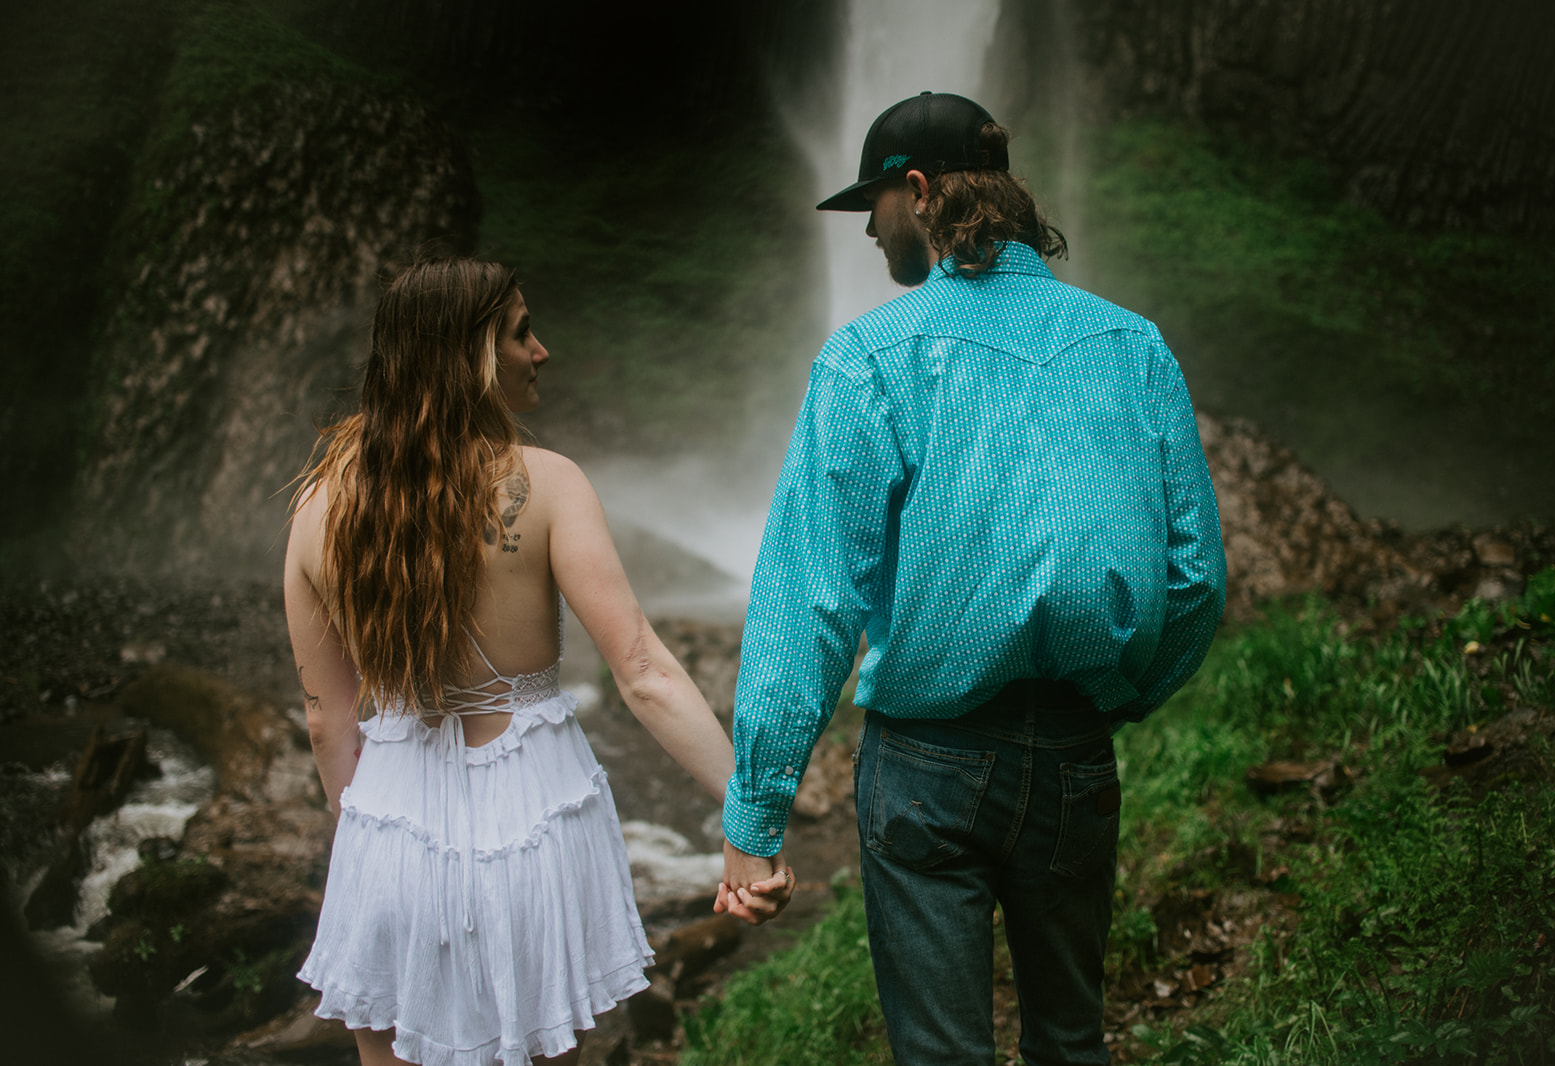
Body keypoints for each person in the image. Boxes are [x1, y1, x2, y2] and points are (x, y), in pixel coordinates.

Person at [718, 93, 1226, 1063]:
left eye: (872, 201)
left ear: (917, 191)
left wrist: (755, 814)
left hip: (926, 767)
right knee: (1072, 1040)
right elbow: (1195, 578)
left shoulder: (868, 357)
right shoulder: (1134, 347)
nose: (867, 228)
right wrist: (1112, 694)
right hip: (1075, 752)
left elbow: (811, 599)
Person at [285, 257, 791, 1066]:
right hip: (534, 830)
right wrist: (747, 818)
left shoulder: (318, 508)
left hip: (386, 838)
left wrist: (375, 847)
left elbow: (325, 720)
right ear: (470, 357)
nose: (541, 349)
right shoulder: (547, 485)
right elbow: (644, 672)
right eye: (520, 331)